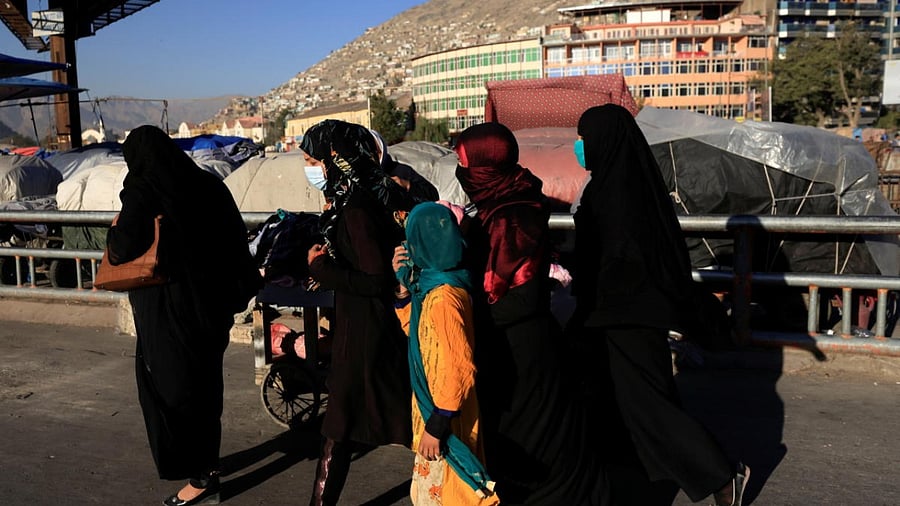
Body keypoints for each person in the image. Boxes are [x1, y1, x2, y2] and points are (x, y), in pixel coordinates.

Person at [569, 104, 749, 506]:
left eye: (584, 138)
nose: (580, 146)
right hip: (614, 310)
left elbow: (623, 256)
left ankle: (721, 475)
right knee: (614, 396)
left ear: (605, 139)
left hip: (626, 313)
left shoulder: (620, 192)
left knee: (645, 401)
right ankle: (629, 476)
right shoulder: (618, 182)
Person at [106, 125, 261, 506]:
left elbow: (122, 247)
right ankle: (205, 464)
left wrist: (121, 215)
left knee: (174, 393)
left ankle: (201, 478)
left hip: (170, 314)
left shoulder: (144, 190)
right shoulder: (208, 185)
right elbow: (234, 240)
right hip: (212, 308)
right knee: (206, 388)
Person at [453, 122, 608, 505]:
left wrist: (469, 311)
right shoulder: (505, 202)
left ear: (487, 165)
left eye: (465, 162)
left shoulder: (511, 216)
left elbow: (519, 295)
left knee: (534, 445)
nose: (462, 171)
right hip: (517, 342)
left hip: (521, 347)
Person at [300, 119, 413, 506]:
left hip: (365, 334)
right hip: (362, 328)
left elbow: (374, 279)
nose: (309, 167)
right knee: (345, 426)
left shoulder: (358, 208)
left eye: (312, 159)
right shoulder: (365, 197)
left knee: (343, 426)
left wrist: (321, 270)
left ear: (336, 159)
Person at [394, 202, 499, 505]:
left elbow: (458, 367)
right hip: (441, 413)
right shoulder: (436, 285)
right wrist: (403, 291)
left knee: (448, 496)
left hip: (447, 419)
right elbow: (419, 334)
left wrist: (437, 426)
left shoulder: (444, 298)